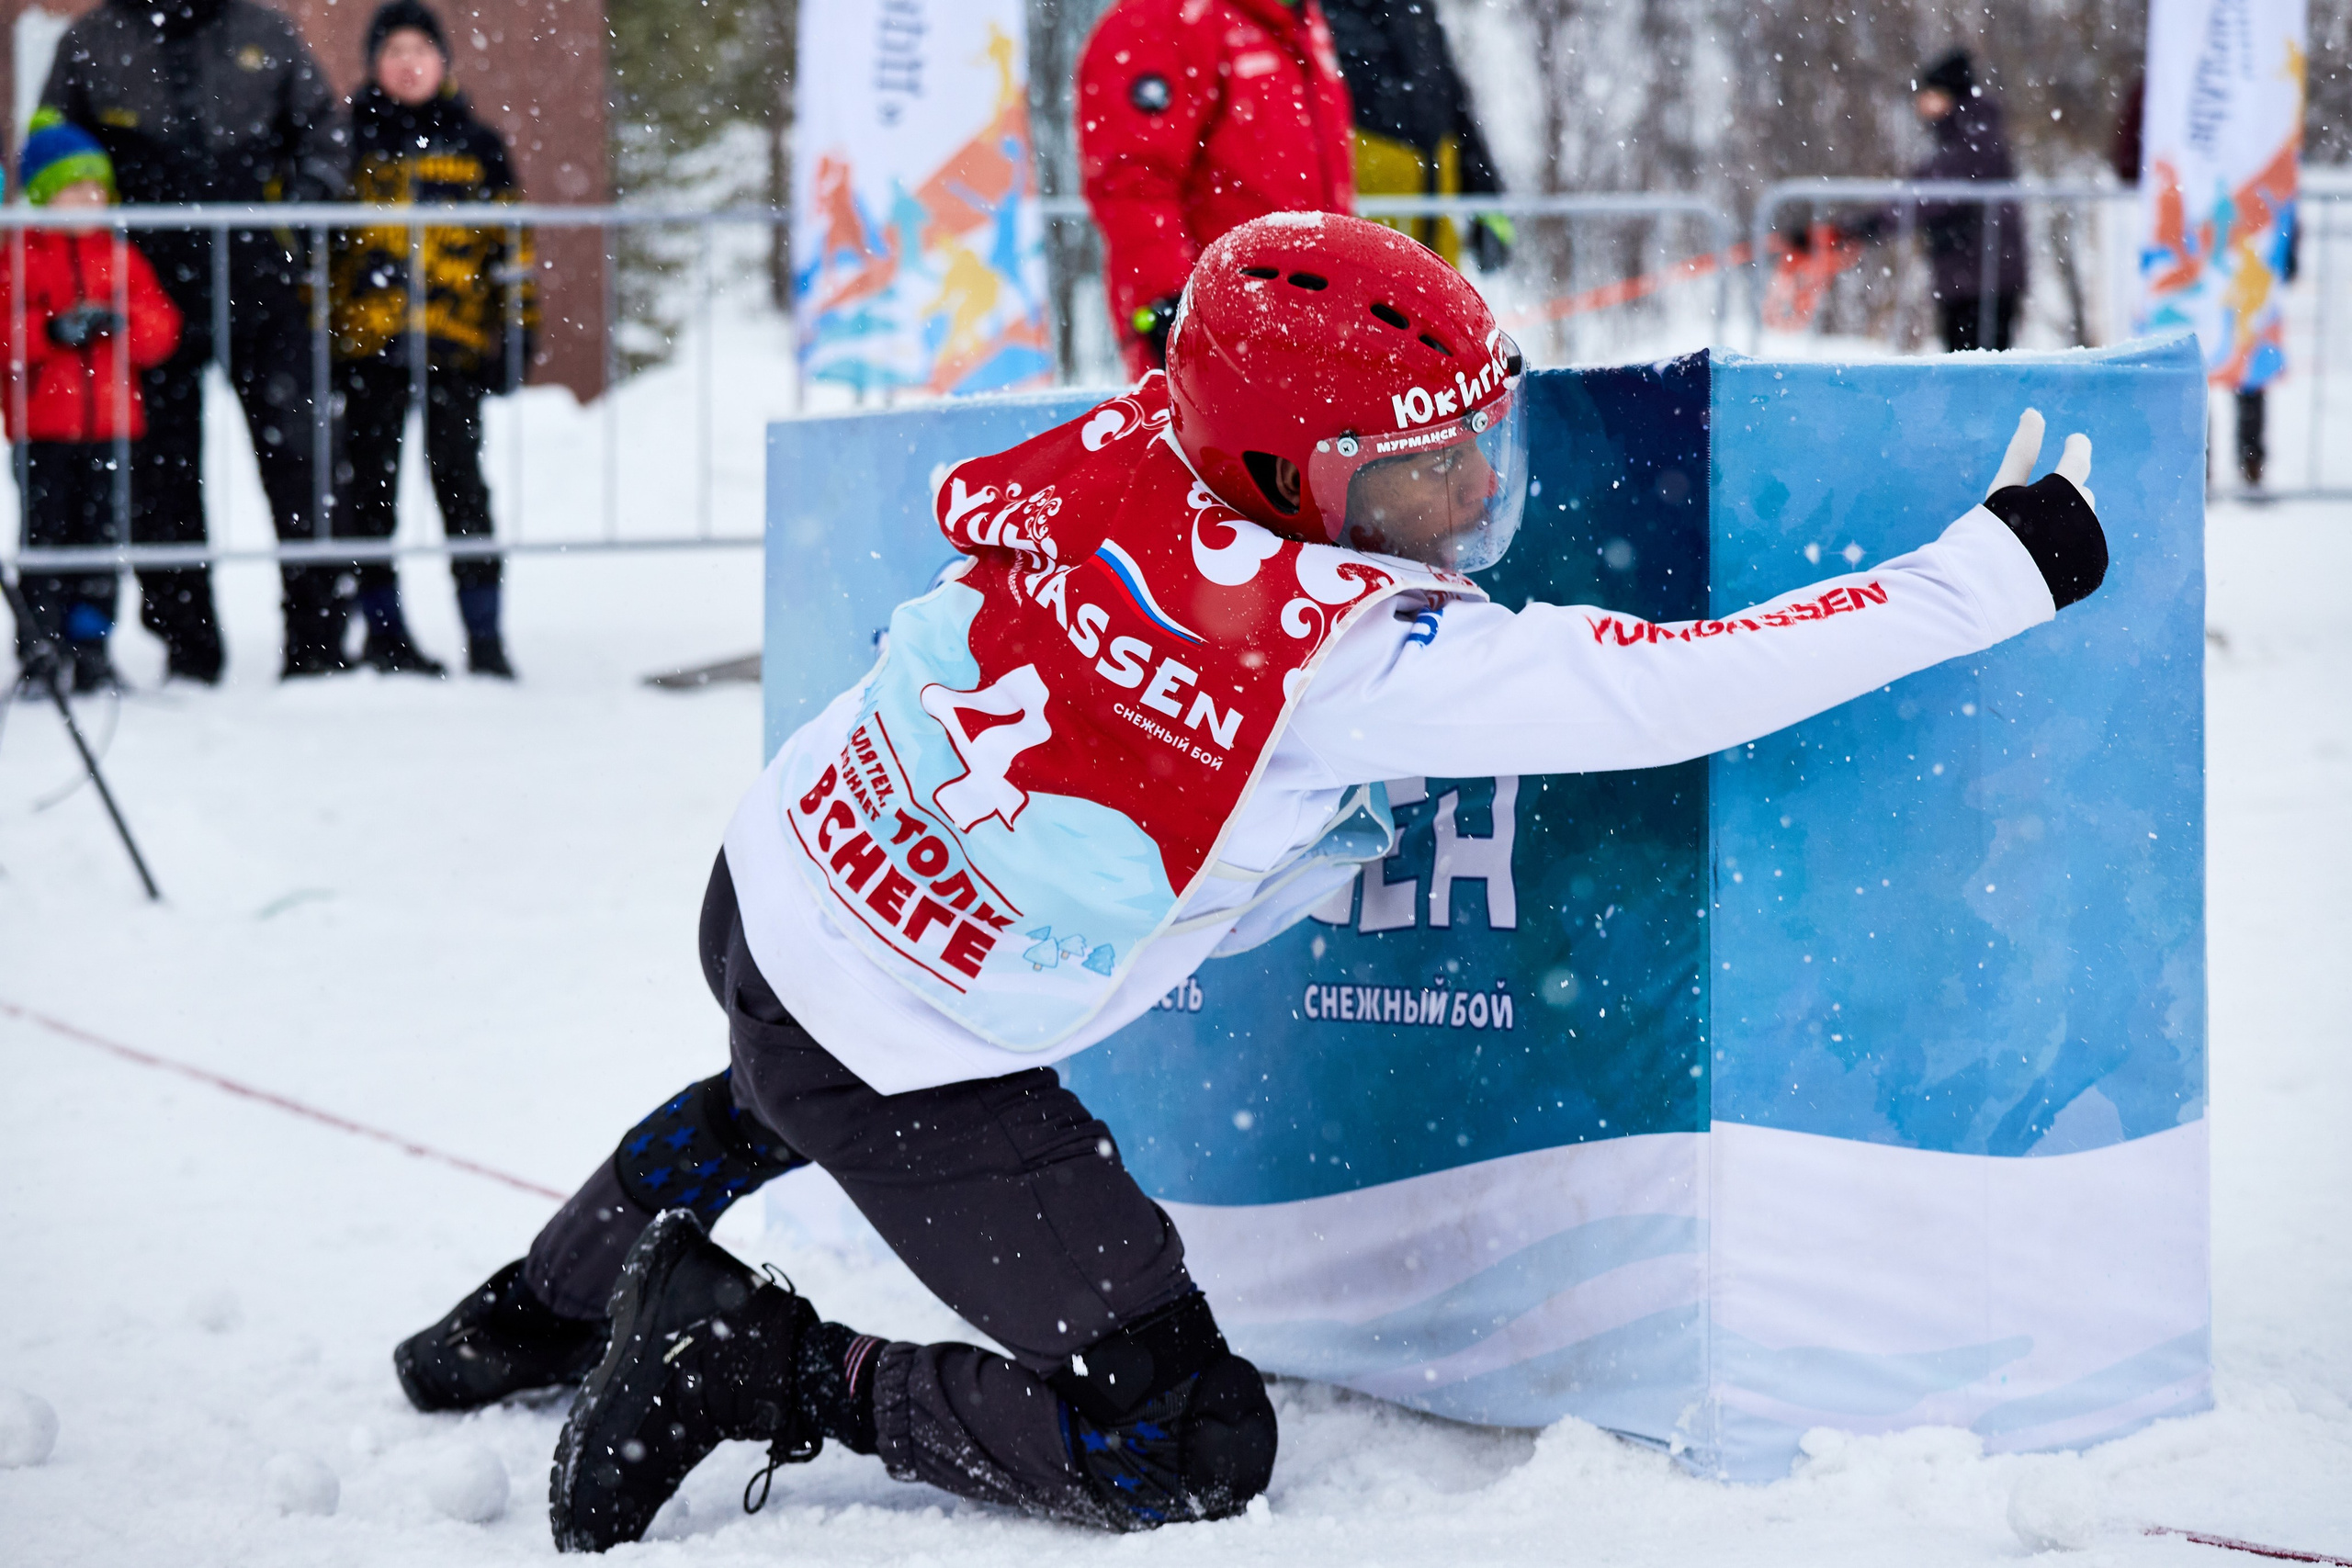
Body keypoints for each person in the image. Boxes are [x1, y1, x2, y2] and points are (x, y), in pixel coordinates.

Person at [390, 214, 2110, 1552]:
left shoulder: (1151, 439)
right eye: (1423, 466)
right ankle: (756, 1360)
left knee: (788, 1067)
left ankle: (527, 1312)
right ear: (1304, 480)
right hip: (890, 1024)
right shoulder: (1346, 657)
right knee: (1182, 1444)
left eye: (1482, 437)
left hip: (775, 883)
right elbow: (1668, 684)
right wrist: (1985, 578)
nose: (1475, 489)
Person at [41, 0, 347, 681]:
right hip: (145, 290)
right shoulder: (93, 39)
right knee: (162, 472)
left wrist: (303, 207)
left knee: (300, 457)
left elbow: (324, 131)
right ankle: (188, 642)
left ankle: (317, 639)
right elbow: (53, 145)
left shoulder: (266, 32)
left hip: (259, 281)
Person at [330, 0, 534, 678]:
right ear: (374, 65)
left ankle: (487, 636)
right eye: (394, 52)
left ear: (443, 61)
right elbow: (318, 250)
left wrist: (517, 328)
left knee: (463, 490)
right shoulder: (347, 139)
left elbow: (511, 249)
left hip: (454, 347)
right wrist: (321, 333)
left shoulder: (477, 144)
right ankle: (385, 631)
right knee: (369, 495)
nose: (408, 64)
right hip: (368, 350)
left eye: (420, 50)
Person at [1077, 0, 1354, 377]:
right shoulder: (1162, 21)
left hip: (1314, 322)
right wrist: (1170, 306)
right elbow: (1133, 183)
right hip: (1225, 335)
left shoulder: (1300, 19)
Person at [3, 116, 183, 692]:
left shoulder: (123, 259)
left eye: (98, 188)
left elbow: (162, 331)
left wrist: (122, 323)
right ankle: (42, 648)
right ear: (44, 196)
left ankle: (92, 644)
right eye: (76, 188)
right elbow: (6, 333)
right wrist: (52, 330)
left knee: (103, 539)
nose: (91, 199)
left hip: (110, 426)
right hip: (44, 430)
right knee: (46, 539)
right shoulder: (19, 258)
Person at [1833, 50, 2029, 353]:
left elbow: (1932, 195)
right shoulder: (1968, 132)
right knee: (1977, 368)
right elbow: (1929, 190)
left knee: (1976, 372)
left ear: (1944, 94)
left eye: (1926, 93)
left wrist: (1872, 223)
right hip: (1974, 273)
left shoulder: (1971, 135)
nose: (1919, 103)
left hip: (1981, 277)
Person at [1320, 0, 1512, 273]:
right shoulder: (1316, 11)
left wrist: (1486, 196)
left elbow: (1451, 90)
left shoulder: (1417, 7)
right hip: (1362, 211)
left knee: (1437, 307)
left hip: (1434, 203)